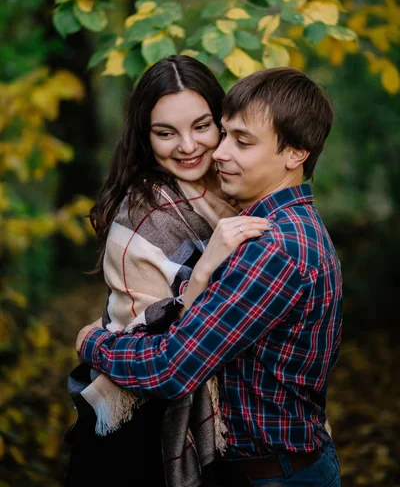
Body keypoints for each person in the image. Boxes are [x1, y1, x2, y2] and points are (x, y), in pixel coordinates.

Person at [77, 67, 343, 487]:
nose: (217, 151)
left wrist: (94, 342)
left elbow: (172, 367)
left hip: (275, 475)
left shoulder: (271, 247)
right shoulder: (277, 222)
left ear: (295, 154)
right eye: (226, 133)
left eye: (242, 141)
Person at [64, 54, 268, 487]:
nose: (188, 146)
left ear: (224, 123)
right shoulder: (143, 212)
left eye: (201, 126)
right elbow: (161, 357)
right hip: (138, 430)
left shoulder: (236, 191)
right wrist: (205, 266)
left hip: (232, 428)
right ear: (146, 136)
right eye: (165, 133)